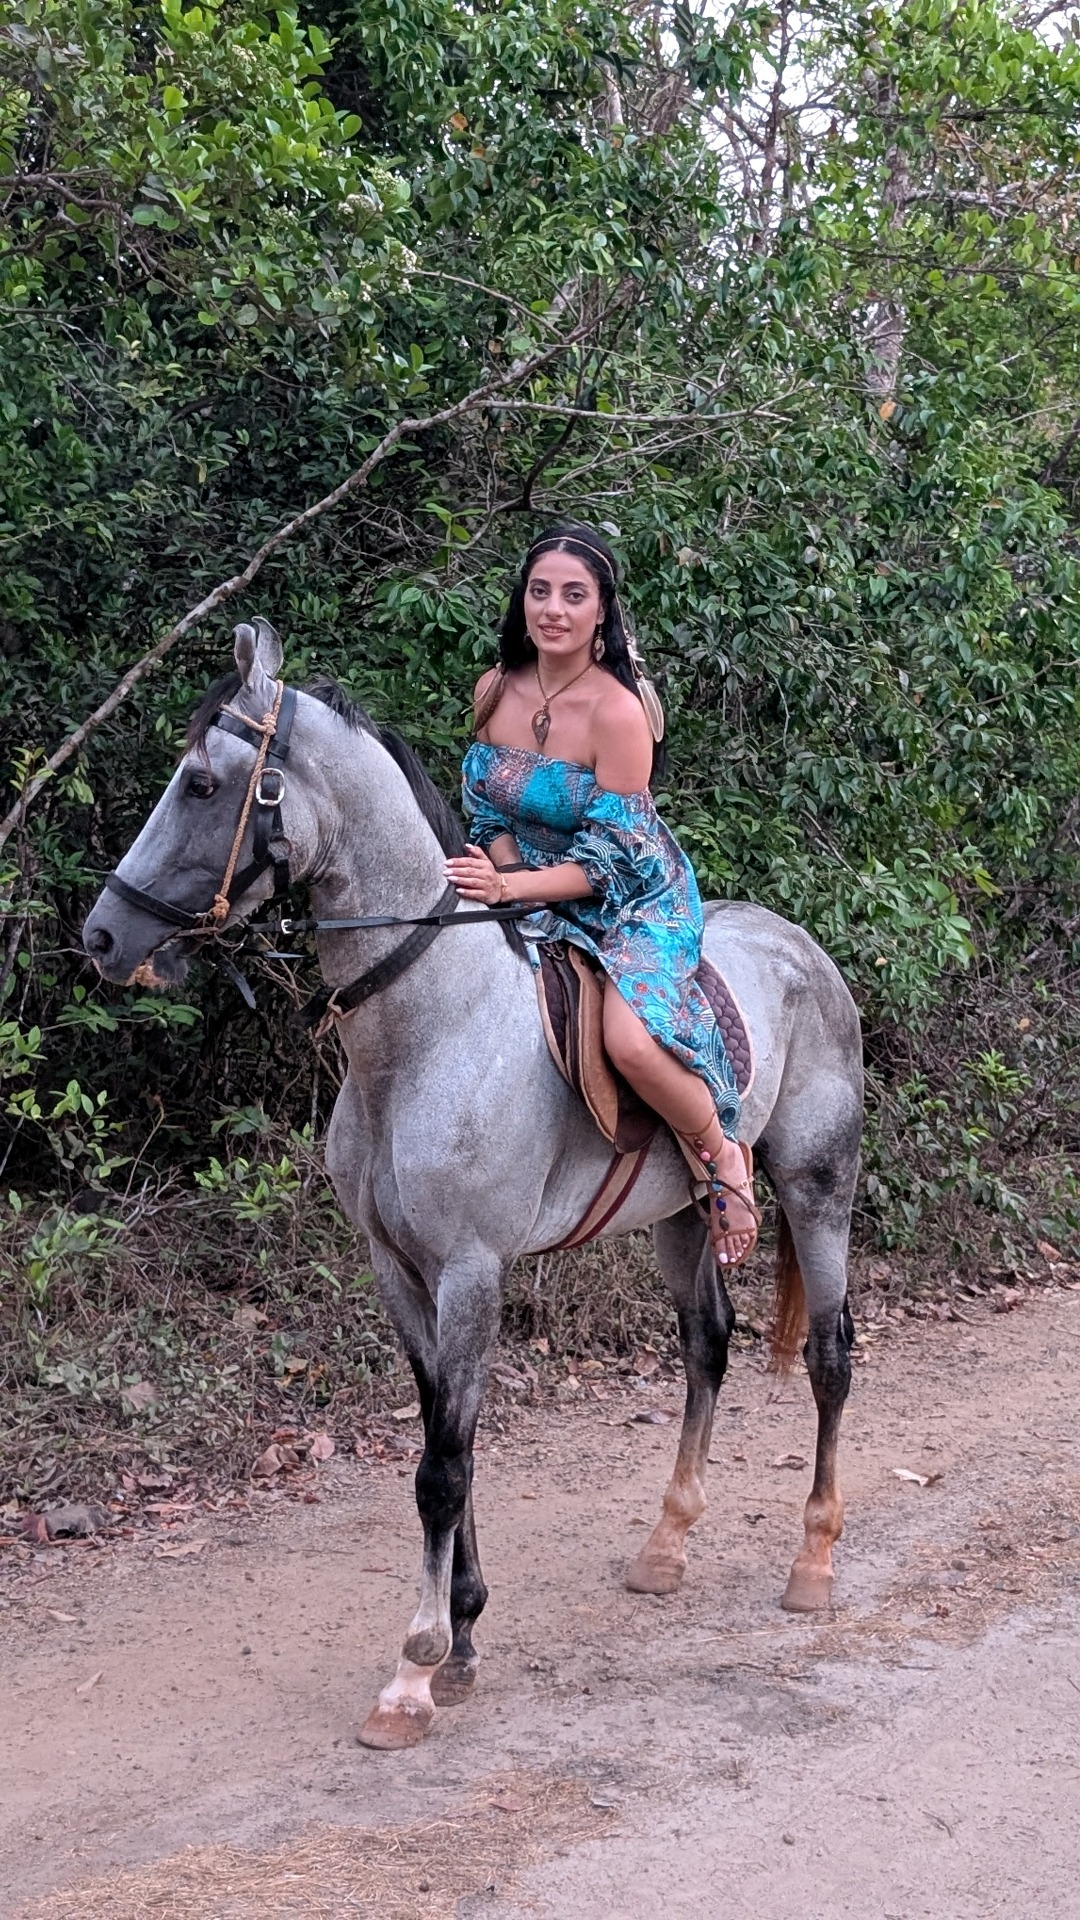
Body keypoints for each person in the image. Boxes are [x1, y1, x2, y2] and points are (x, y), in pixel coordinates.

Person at [445, 524, 759, 1267]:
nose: (553, 608)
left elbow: (614, 860)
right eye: (540, 591)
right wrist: (510, 882)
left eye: (574, 595)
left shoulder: (618, 713)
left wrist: (511, 886)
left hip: (631, 897)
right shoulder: (494, 690)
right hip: (524, 878)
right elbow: (487, 811)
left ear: (603, 613)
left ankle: (722, 1155)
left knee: (630, 1041)